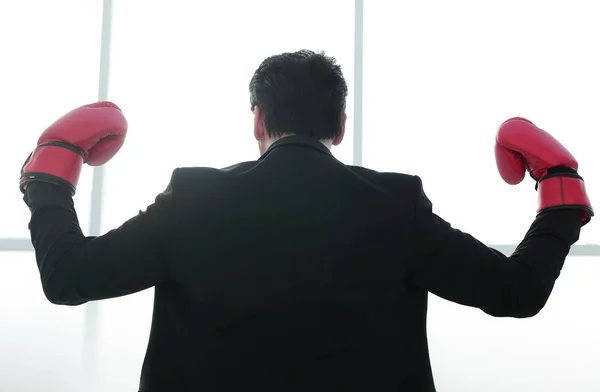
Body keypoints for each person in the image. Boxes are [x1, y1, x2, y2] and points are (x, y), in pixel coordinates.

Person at [20, 50, 593, 392]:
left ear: (258, 120)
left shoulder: (192, 197)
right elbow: (516, 292)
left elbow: (70, 276)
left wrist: (50, 173)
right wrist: (560, 197)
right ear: (340, 126)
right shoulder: (395, 204)